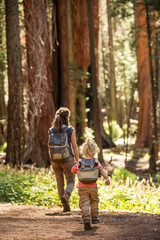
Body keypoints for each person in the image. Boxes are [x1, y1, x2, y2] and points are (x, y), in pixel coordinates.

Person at [71, 138, 110, 230]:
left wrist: (80, 171)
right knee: (94, 201)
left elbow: (73, 170)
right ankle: (95, 218)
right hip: (93, 186)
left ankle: (86, 219)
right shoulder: (96, 162)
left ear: (83, 151)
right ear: (95, 151)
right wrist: (107, 178)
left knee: (84, 202)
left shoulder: (80, 162)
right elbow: (102, 170)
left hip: (82, 186)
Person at [48, 107, 79, 212]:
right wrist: (77, 160)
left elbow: (49, 145)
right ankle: (66, 196)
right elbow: (74, 146)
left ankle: (64, 205)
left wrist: (52, 160)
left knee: (59, 182)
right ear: (67, 117)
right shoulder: (70, 129)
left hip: (54, 160)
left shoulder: (51, 130)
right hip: (67, 159)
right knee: (71, 181)